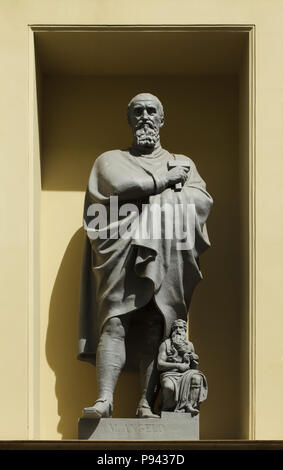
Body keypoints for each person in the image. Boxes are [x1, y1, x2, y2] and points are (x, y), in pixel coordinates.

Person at [78, 93, 212, 418]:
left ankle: (144, 403)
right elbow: (116, 188)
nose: (145, 117)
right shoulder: (109, 159)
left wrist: (161, 205)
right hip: (118, 252)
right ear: (129, 119)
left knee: (156, 324)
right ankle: (105, 400)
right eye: (137, 111)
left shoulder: (183, 162)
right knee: (115, 321)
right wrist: (165, 184)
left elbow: (201, 201)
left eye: (152, 111)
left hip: (165, 255)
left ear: (162, 119)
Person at [157, 319, 208, 414]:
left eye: (181, 328)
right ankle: (166, 408)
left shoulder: (189, 345)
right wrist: (178, 365)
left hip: (187, 373)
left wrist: (195, 359)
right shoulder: (166, 344)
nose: (178, 330)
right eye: (175, 328)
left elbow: (193, 367)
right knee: (169, 387)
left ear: (184, 330)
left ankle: (189, 405)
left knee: (197, 378)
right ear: (172, 330)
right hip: (170, 374)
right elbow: (160, 364)